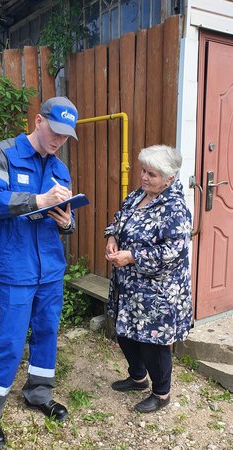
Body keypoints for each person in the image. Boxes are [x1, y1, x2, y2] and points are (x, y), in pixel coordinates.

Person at [0, 96, 78, 449]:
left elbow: (64, 211)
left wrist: (67, 221)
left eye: (66, 137)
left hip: (50, 267)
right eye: (56, 131)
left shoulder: (59, 166)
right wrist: (37, 200)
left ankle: (37, 393)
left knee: (47, 332)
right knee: (10, 341)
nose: (59, 141)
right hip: (15, 267)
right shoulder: (2, 154)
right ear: (38, 120)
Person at [104, 145, 192, 414]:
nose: (143, 177)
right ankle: (138, 378)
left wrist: (132, 257)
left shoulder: (174, 208)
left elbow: (173, 251)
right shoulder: (136, 197)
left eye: (151, 174)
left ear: (169, 179)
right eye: (143, 171)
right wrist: (111, 238)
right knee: (126, 334)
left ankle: (162, 393)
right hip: (129, 287)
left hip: (157, 292)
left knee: (152, 342)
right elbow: (118, 221)